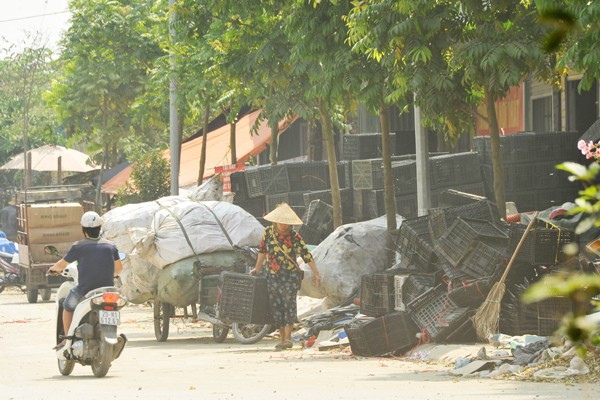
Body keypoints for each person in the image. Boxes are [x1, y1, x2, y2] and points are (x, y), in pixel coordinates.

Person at [250, 203, 320, 351]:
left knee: (289, 305)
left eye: (286, 223)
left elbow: (305, 254)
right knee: (277, 307)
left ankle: (288, 339)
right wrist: (257, 268)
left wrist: (316, 273)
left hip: (290, 276)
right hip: (273, 276)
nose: (283, 225)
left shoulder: (294, 236)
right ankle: (282, 339)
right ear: (275, 221)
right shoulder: (268, 233)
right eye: (281, 222)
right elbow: (262, 251)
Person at [48, 211, 122, 350]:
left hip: (85, 290)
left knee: (67, 306)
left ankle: (67, 339)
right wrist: (113, 275)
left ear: (83, 230)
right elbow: (118, 269)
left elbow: (62, 265)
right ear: (100, 228)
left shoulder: (79, 246)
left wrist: (53, 269)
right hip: (107, 290)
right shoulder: (111, 246)